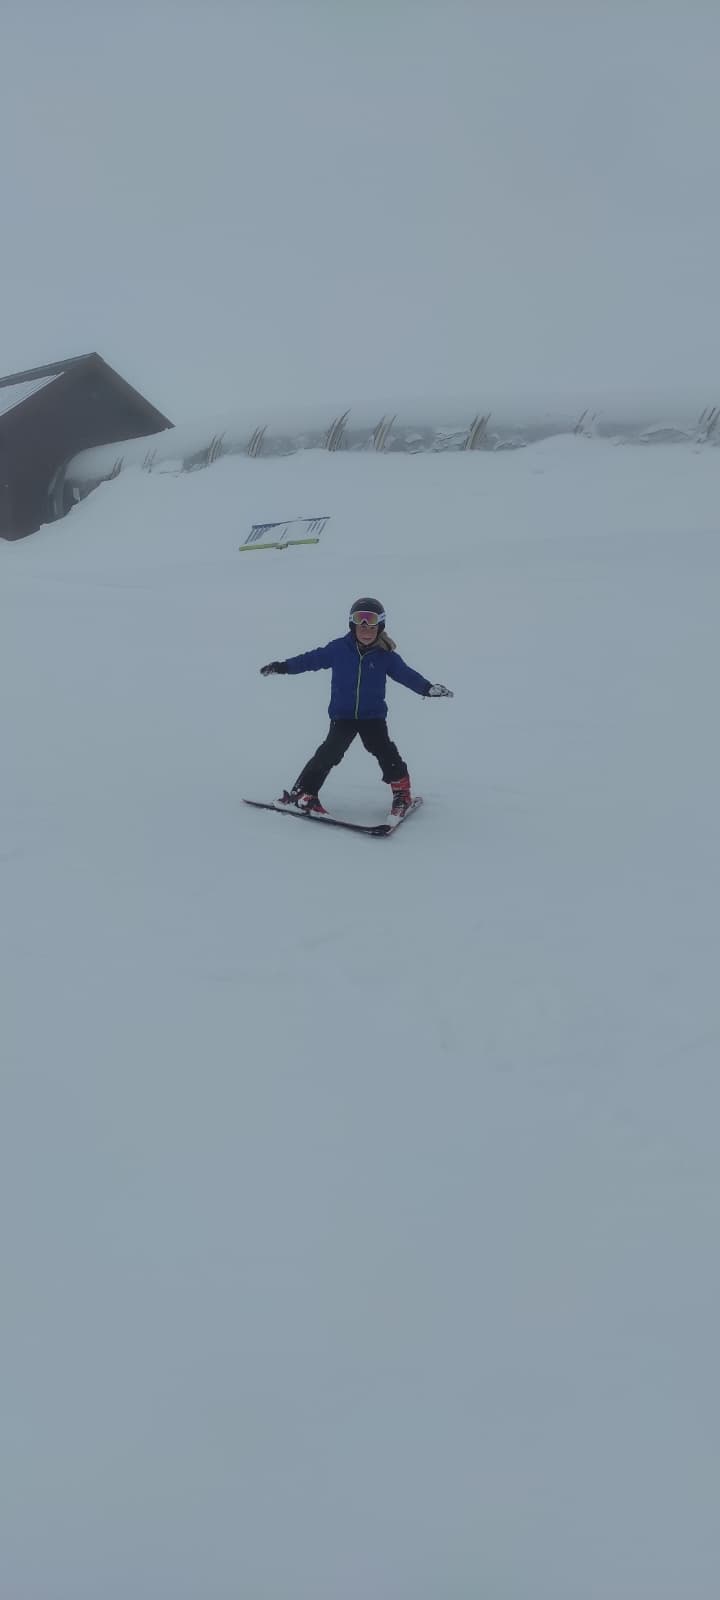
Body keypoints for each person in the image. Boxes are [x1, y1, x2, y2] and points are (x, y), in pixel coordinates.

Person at [260, 597, 453, 817]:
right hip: (343, 716)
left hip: (372, 717)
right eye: (362, 627)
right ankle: (304, 794)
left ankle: (402, 794)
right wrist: (283, 667)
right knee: (328, 752)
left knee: (384, 751)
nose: (366, 632)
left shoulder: (385, 656)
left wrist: (427, 688)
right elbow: (310, 660)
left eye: (372, 628)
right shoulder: (338, 649)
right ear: (352, 626)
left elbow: (406, 675)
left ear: (380, 628)